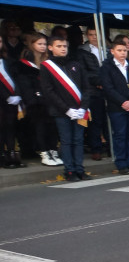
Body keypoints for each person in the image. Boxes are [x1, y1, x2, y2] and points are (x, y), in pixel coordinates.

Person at [39, 34, 92, 180]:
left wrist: (83, 107)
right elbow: (49, 92)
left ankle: (79, 169)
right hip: (62, 111)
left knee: (78, 140)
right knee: (67, 141)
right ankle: (69, 171)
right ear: (50, 48)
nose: (63, 49)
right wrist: (67, 109)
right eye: (59, 46)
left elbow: (87, 88)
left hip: (79, 110)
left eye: (65, 46)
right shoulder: (47, 67)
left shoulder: (75, 64)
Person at [99, 39, 129, 174]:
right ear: (112, 51)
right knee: (120, 136)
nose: (123, 53)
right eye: (119, 50)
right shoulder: (107, 67)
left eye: (125, 50)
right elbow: (108, 88)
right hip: (117, 108)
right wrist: (124, 102)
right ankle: (121, 164)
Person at [16, 32, 60, 166]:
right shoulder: (24, 64)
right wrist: (33, 98)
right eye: (39, 44)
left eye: (45, 44)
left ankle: (53, 151)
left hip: (51, 100)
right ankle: (44, 152)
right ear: (32, 44)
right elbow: (24, 84)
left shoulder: (49, 61)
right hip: (36, 102)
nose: (43, 47)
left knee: (53, 127)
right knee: (40, 127)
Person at [78, 27, 108, 161]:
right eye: (91, 35)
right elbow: (84, 72)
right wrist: (99, 82)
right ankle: (96, 148)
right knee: (96, 121)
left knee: (109, 121)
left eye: (96, 35)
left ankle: (110, 146)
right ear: (87, 36)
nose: (94, 37)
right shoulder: (82, 52)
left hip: (109, 89)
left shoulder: (108, 49)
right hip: (93, 90)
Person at [0, 54, 24, 168]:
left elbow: (15, 78)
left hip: (11, 101)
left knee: (10, 126)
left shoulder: (6, 62)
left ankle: (11, 154)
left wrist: (18, 94)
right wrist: (6, 96)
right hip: (2, 100)